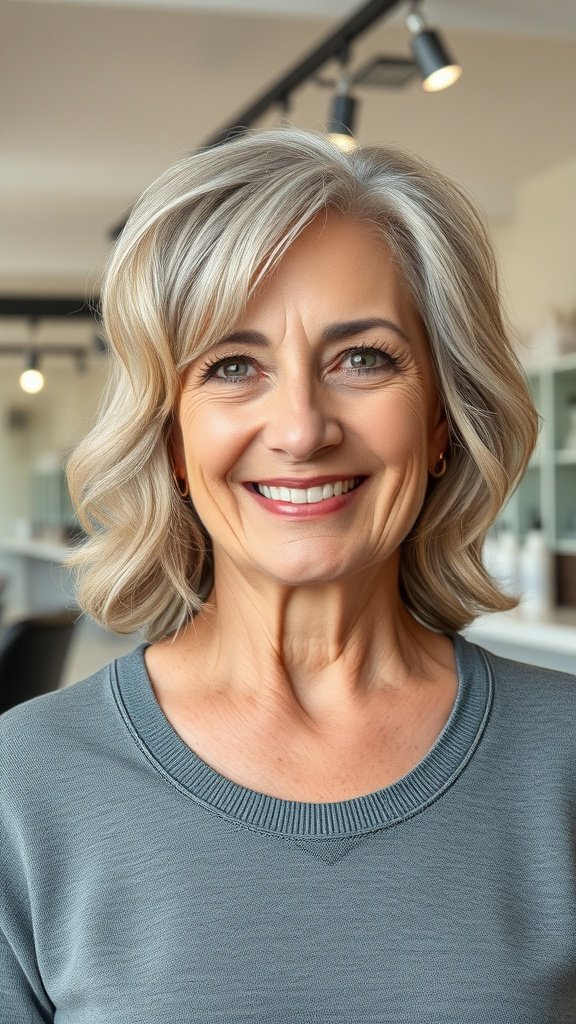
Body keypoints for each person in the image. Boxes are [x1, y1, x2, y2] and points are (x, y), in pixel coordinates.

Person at [1, 127, 575, 1023]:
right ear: (172, 439)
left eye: (363, 359)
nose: (302, 428)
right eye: (234, 367)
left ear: (440, 424)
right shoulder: (22, 787)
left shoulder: (565, 762)